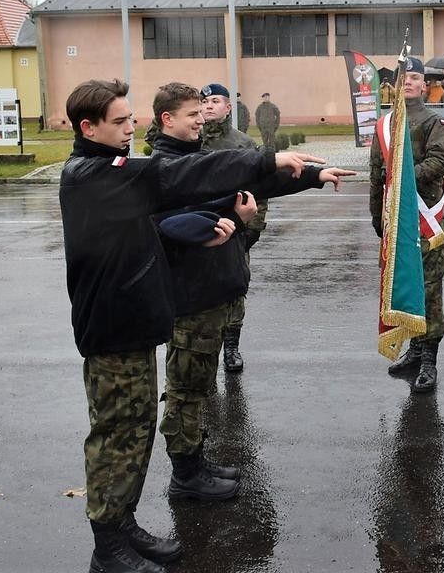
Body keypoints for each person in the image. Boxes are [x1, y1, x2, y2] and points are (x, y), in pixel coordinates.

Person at [58, 78, 324, 573]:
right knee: (116, 436)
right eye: (119, 122)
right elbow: (182, 176)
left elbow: (202, 178)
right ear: (87, 127)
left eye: (128, 117)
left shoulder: (111, 169)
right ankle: (107, 547)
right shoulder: (91, 173)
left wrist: (300, 174)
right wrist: (266, 160)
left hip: (134, 324)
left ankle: (124, 525)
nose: (129, 126)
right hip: (113, 330)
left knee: (134, 434)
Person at [150, 83, 352, 503]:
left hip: (211, 294)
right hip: (191, 300)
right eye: (192, 114)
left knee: (200, 388)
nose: (201, 118)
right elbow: (188, 220)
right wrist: (234, 220)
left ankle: (196, 461)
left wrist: (313, 176)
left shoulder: (190, 159)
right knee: (186, 392)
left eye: (203, 111)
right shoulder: (165, 167)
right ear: (167, 119)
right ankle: (185, 475)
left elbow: (247, 182)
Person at [369, 56, 444, 393]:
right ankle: (414, 350)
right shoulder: (384, 126)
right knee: (405, 287)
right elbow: (377, 174)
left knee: (429, 292)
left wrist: (403, 181)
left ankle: (429, 359)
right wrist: (378, 215)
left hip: (424, 221)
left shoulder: (434, 122)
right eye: (405, 78)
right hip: (396, 223)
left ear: (424, 84)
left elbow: (439, 161)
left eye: (416, 78)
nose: (410, 84)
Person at [199, 82, 262, 374]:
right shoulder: (191, 141)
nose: (209, 106)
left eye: (215, 101)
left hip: (236, 229)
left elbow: (259, 190)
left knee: (236, 289)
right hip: (199, 230)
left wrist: (252, 228)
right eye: (204, 101)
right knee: (200, 291)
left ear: (228, 108)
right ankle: (205, 349)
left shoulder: (243, 144)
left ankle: (232, 347)